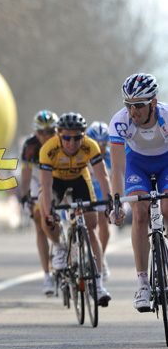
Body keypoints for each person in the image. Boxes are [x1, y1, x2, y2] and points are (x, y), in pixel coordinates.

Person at [38, 112, 112, 306]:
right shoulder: (48, 149)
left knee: (92, 226)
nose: (72, 143)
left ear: (84, 136)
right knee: (44, 209)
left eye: (77, 137)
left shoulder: (90, 146)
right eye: (67, 138)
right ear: (59, 136)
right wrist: (49, 213)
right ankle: (60, 247)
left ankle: (97, 284)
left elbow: (103, 177)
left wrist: (110, 202)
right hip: (56, 182)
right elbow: (46, 186)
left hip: (80, 179)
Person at [109, 74, 168, 312]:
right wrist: (117, 205)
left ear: (153, 103)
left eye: (139, 105)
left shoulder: (166, 117)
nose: (133, 110)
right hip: (138, 165)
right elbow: (118, 169)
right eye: (128, 104)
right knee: (141, 212)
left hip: (166, 163)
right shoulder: (120, 121)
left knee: (167, 208)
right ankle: (143, 282)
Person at [19, 110, 59, 295]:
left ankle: (69, 242)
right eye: (42, 132)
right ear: (35, 132)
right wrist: (25, 195)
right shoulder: (29, 145)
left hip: (59, 176)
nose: (46, 136)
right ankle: (47, 274)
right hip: (38, 178)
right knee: (38, 219)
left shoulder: (62, 142)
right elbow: (26, 176)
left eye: (50, 131)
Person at [86, 121, 112, 281]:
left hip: (101, 189)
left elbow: (114, 178)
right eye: (97, 143)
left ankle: (100, 257)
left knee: (103, 224)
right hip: (86, 188)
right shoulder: (83, 153)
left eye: (104, 143)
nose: (101, 147)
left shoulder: (110, 155)